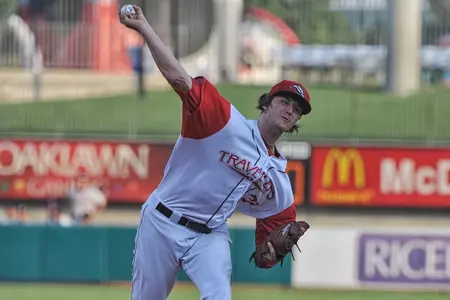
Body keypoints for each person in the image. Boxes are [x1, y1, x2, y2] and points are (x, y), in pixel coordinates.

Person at [119, 6, 311, 300]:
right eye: (285, 101)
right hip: (161, 222)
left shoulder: (278, 180)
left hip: (209, 235)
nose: (290, 110)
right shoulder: (224, 123)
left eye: (297, 110)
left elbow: (270, 240)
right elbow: (179, 79)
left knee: (219, 295)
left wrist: (268, 253)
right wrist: (145, 27)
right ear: (268, 103)